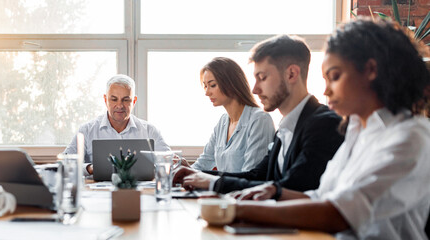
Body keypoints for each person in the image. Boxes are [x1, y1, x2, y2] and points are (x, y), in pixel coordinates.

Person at [232, 18, 430, 239]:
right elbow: (322, 196)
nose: (325, 91)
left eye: (335, 77)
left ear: (371, 70)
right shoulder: (357, 131)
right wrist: (277, 191)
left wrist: (234, 210)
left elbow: (338, 214)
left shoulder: (410, 136)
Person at [173, 35, 344, 194]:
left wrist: (213, 183)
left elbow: (291, 188)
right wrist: (200, 176)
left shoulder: (324, 124)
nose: (255, 89)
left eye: (262, 78)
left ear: (291, 74)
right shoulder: (285, 129)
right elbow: (257, 176)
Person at [64, 74, 170, 175]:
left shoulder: (150, 131)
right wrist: (89, 168)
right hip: (97, 192)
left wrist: (171, 163)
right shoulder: (86, 130)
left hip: (140, 191)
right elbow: (65, 163)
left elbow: (169, 161)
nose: (119, 105)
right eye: (114, 99)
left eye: (126, 100)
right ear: (105, 100)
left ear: (134, 101)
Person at [188, 57, 275, 172]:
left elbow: (251, 175)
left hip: (242, 189)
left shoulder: (260, 120)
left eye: (212, 85)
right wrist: (183, 173)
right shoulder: (223, 122)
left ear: (230, 84)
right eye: (205, 86)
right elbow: (203, 163)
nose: (207, 93)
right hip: (223, 189)